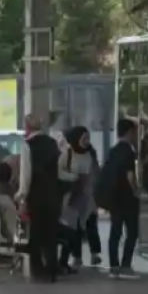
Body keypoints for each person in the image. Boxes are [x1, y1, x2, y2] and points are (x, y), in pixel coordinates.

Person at [17, 114, 63, 282]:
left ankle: (38, 270)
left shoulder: (27, 146)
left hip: (36, 196)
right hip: (53, 195)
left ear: (27, 127)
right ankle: (52, 269)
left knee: (35, 234)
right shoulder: (53, 144)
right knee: (50, 235)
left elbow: (25, 176)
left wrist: (22, 197)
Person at [96, 118, 141, 279]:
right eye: (134, 132)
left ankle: (114, 265)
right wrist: (136, 191)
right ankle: (125, 264)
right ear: (129, 132)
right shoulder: (129, 152)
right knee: (132, 232)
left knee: (115, 232)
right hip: (127, 198)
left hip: (114, 198)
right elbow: (130, 176)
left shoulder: (112, 151)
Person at [57, 126, 98, 272]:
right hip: (72, 197)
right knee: (71, 228)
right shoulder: (67, 153)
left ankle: (87, 254)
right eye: (83, 138)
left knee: (86, 225)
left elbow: (95, 173)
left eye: (88, 138)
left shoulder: (91, 153)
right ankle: (72, 257)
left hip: (87, 196)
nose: (86, 141)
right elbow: (59, 171)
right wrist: (73, 178)